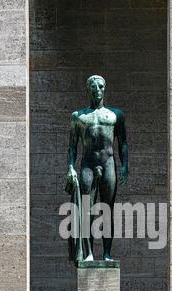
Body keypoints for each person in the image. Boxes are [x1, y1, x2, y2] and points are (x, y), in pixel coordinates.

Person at [66, 75, 129, 262]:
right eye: (93, 87)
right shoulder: (78, 116)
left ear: (104, 88)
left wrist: (125, 165)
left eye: (100, 86)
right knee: (87, 210)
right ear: (88, 90)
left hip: (108, 163)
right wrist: (70, 167)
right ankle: (89, 253)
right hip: (87, 164)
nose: (97, 90)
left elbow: (123, 143)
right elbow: (71, 146)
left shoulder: (115, 114)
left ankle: (107, 254)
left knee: (107, 210)